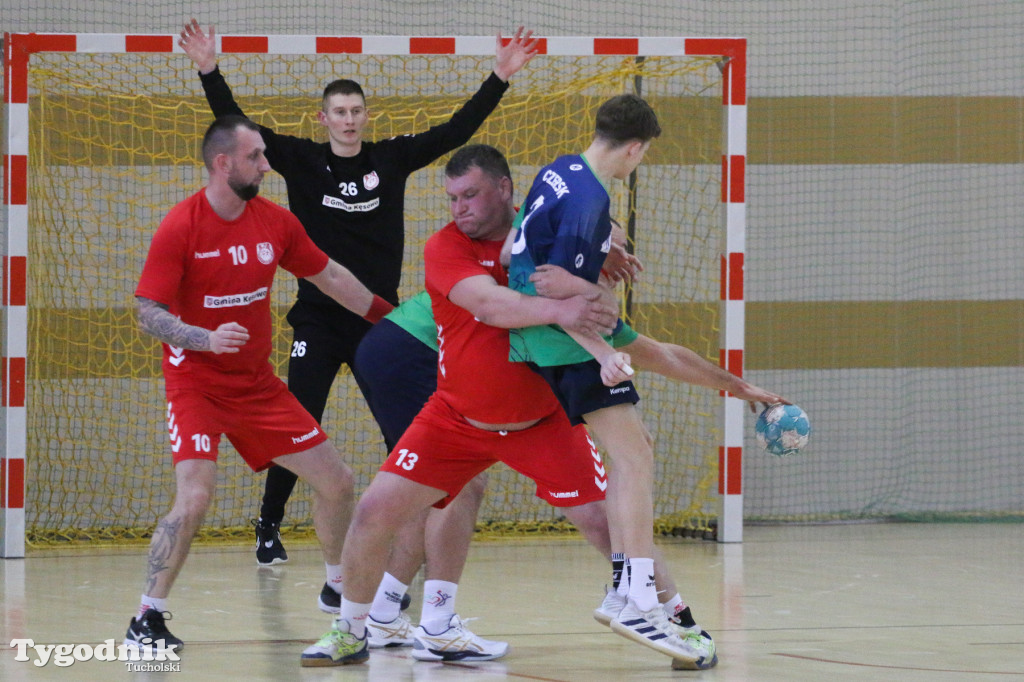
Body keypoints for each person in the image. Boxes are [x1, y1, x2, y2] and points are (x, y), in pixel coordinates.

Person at [177, 21, 541, 596]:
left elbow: (455, 131)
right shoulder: (298, 160)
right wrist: (208, 70)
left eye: (356, 110)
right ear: (323, 119)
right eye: (338, 111)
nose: (348, 119)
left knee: (414, 429)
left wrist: (498, 76)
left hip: (381, 323)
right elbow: (241, 128)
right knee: (298, 424)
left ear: (366, 116)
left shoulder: (391, 160)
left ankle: (417, 529)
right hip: (318, 321)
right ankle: (268, 526)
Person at [506, 93, 785, 663]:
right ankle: (633, 591)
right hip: (559, 342)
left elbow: (665, 354)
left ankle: (626, 586)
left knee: (635, 450)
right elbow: (549, 287)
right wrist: (600, 348)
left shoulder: (561, 170)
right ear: (634, 149)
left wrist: (741, 388)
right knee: (633, 459)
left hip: (539, 340)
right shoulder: (589, 201)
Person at [125, 115, 396, 653]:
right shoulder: (182, 225)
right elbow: (146, 310)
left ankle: (337, 588)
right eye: (256, 157)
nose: (267, 166)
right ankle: (146, 619)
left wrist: (395, 322)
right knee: (196, 497)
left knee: (338, 482)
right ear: (223, 163)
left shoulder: (275, 223)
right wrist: (201, 338)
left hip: (258, 387)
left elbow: (333, 278)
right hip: (196, 384)